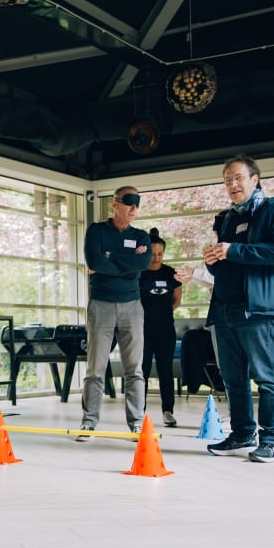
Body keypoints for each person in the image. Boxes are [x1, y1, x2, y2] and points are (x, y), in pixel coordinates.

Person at [204, 155, 274, 463]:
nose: (232, 184)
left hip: (257, 309)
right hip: (225, 309)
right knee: (233, 378)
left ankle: (273, 441)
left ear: (254, 179)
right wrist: (213, 260)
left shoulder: (272, 210)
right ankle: (242, 434)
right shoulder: (227, 218)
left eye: (238, 178)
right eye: (227, 180)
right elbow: (227, 265)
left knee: (266, 377)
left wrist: (234, 250)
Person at [77, 187, 152, 441]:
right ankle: (88, 422)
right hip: (102, 305)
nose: (134, 209)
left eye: (137, 204)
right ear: (114, 204)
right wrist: (127, 262)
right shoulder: (96, 231)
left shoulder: (141, 236)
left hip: (132, 306)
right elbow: (94, 262)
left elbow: (142, 264)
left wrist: (111, 258)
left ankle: (137, 423)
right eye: (129, 203)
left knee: (135, 370)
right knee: (95, 369)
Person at [139, 228, 182, 427]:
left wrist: (161, 313)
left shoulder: (171, 274)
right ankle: (139, 412)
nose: (156, 258)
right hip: (142, 331)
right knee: (142, 371)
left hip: (165, 330)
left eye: (160, 254)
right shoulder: (137, 273)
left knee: (166, 371)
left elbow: (177, 301)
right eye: (152, 254)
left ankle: (168, 411)